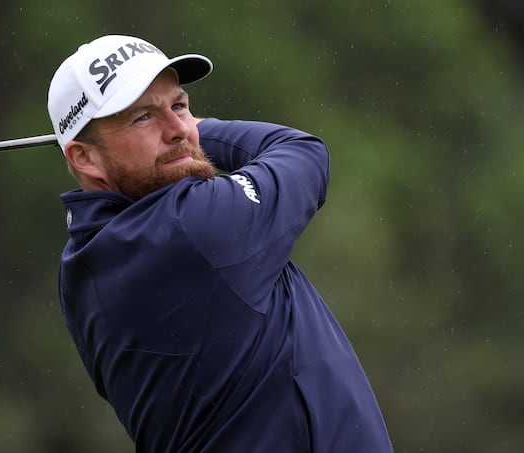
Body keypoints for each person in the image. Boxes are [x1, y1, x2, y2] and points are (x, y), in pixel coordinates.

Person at [47, 34, 393, 453]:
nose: (177, 129)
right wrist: (203, 132)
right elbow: (302, 152)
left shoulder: (80, 269)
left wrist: (176, 138)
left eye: (179, 105)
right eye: (142, 118)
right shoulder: (192, 228)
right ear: (84, 158)